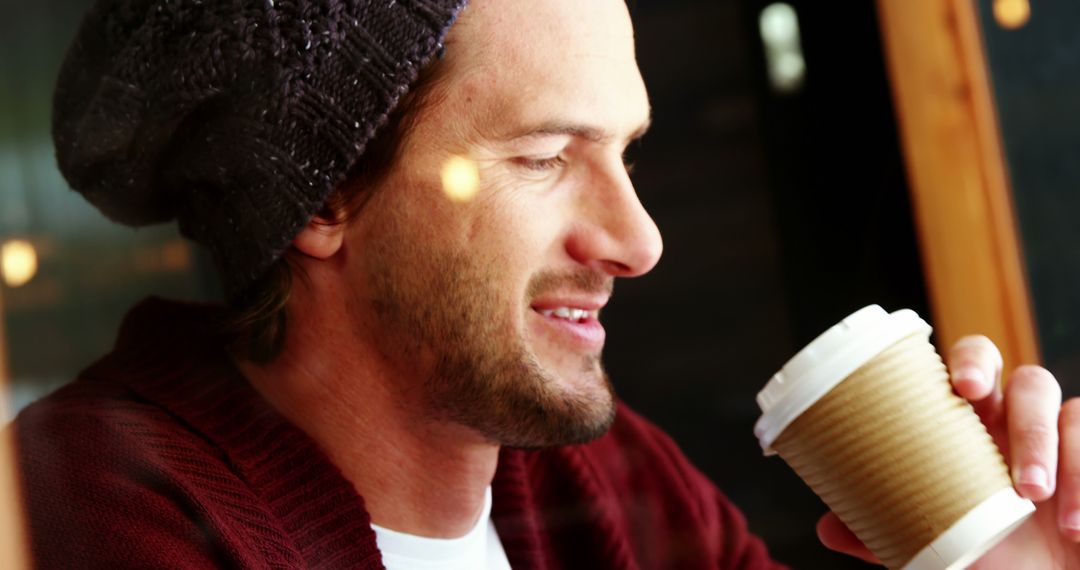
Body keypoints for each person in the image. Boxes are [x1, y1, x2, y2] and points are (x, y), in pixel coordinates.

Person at [12, 0, 1080, 568]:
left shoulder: (608, 485)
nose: (638, 240)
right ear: (324, 198)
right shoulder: (90, 508)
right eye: (542, 157)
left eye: (629, 151)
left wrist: (1001, 561)